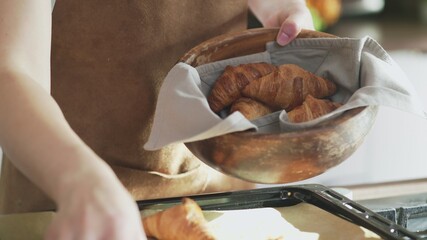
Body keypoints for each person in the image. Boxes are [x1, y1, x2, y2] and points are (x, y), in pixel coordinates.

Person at [0, 0, 313, 239]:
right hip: (69, 199)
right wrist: (78, 182)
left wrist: (283, 8)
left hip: (218, 191)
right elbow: (11, 70)